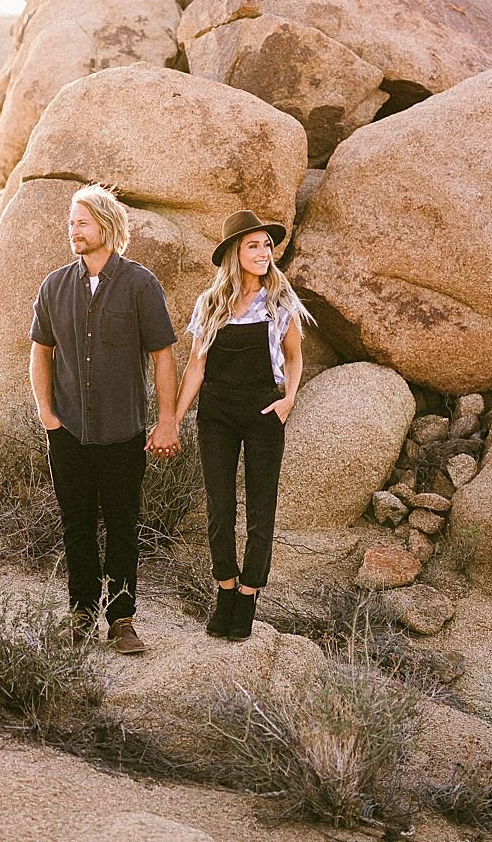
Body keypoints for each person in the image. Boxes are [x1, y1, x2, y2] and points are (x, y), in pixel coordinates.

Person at [29, 184, 180, 655]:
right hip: (69, 429)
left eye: (82, 222)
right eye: (71, 223)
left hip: (123, 430)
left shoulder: (140, 284)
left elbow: (163, 357)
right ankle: (80, 614)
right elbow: (40, 354)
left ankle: (122, 619)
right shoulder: (54, 286)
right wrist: (47, 415)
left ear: (107, 227)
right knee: (76, 524)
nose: (73, 230)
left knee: (121, 524)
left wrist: (167, 419)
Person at [175, 209, 311, 641]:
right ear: (235, 253)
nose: (263, 252)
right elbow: (195, 368)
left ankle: (249, 595)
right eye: (253, 245)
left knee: (259, 510)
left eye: (267, 245)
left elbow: (294, 357)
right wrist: (172, 421)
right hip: (215, 412)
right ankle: (225, 590)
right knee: (219, 508)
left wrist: (289, 398)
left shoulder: (280, 304)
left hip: (262, 410)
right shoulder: (210, 304)